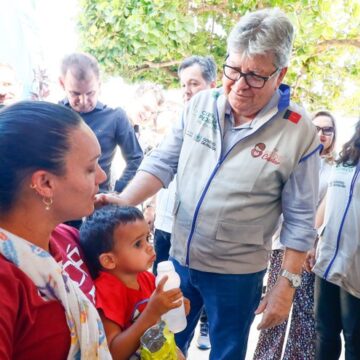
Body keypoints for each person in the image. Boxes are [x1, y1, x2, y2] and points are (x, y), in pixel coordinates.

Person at [97, 8, 322, 360]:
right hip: (180, 259)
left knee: (227, 350)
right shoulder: (203, 103)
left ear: (281, 74)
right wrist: (124, 200)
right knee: (162, 344)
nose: (240, 85)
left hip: (237, 273)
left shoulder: (298, 131)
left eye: (255, 76)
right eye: (233, 70)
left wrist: (286, 287)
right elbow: (162, 162)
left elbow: (300, 217)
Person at [0, 101, 111, 359]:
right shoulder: (6, 281)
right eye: (90, 168)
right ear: (45, 183)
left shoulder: (64, 238)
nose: (102, 176)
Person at [254, 110, 337, 360]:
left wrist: (315, 242)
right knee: (276, 305)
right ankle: (266, 356)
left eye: (327, 130)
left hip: (313, 252)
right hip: (283, 244)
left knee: (304, 312)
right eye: (316, 128)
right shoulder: (293, 157)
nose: (321, 134)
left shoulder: (335, 168)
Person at [152, 55, 217, 351]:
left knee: (189, 309)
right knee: (167, 312)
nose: (187, 90)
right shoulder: (177, 121)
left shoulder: (216, 130)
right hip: (165, 228)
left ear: (212, 85)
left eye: (194, 83)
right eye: (183, 84)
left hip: (198, 240)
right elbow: (159, 165)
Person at [79, 205, 186, 360]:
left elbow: (158, 323)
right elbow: (113, 353)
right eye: (138, 244)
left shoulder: (146, 278)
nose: (149, 247)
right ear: (109, 260)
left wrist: (171, 309)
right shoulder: (107, 291)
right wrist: (153, 311)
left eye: (147, 238)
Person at [310, 119, 360, 360]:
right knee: (324, 331)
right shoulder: (346, 160)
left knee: (354, 338)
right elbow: (329, 199)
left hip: (356, 268)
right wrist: (313, 241)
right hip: (328, 258)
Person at [59, 52, 143, 193]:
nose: (84, 101)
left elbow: (136, 158)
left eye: (90, 93)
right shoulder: (53, 115)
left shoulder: (115, 117)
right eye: (75, 94)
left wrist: (119, 190)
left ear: (99, 84)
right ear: (62, 84)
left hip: (97, 203)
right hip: (61, 204)